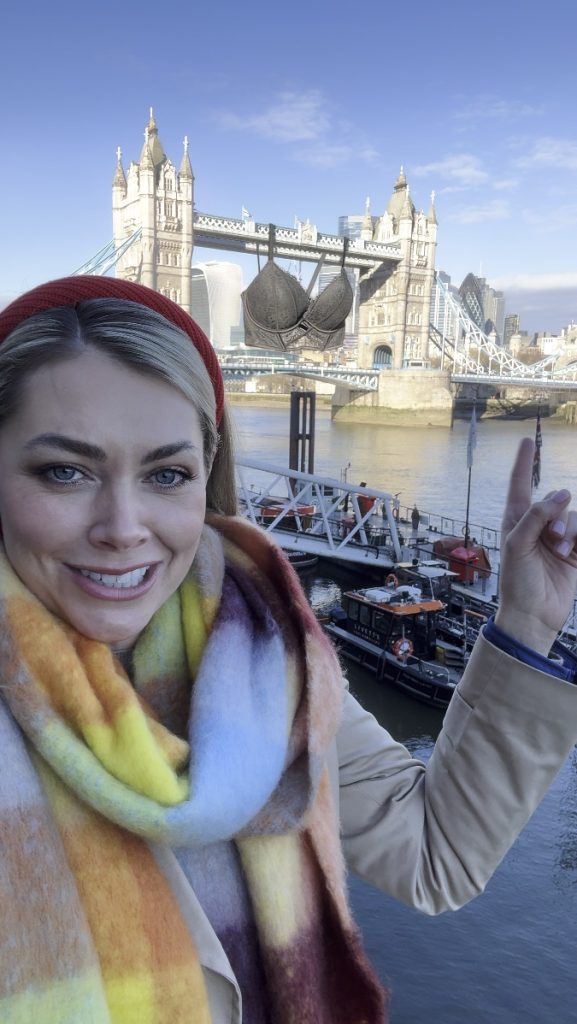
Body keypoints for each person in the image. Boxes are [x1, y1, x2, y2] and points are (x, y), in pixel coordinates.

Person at [1, 276, 577, 1024]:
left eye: (166, 473)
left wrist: (525, 623)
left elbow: (434, 856)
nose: (122, 526)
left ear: (205, 476)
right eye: (64, 471)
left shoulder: (265, 651)